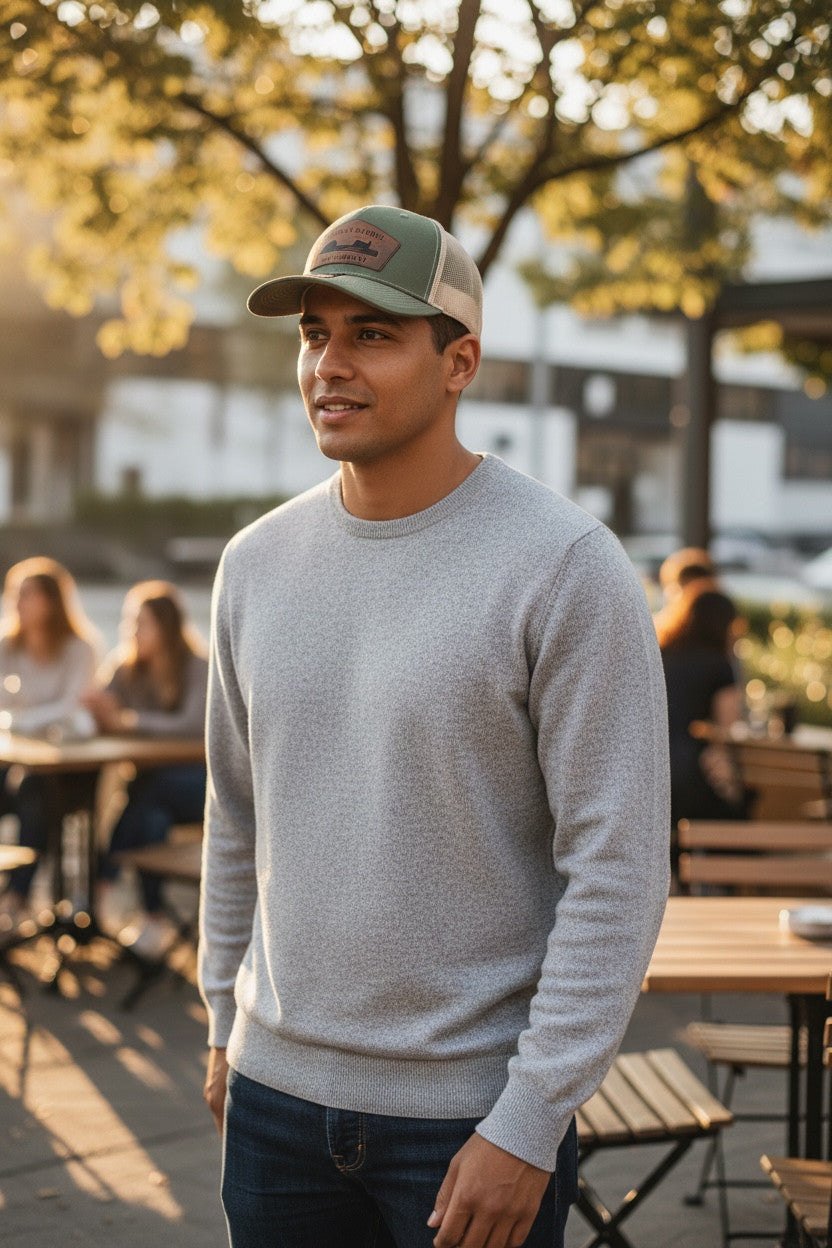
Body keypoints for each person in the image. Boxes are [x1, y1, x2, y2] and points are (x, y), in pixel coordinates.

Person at [198, 204, 670, 1248]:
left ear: (458, 362)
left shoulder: (564, 567)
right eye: (315, 333)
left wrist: (530, 1117)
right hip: (271, 1102)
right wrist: (224, 1022)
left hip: (470, 1122)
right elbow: (237, 819)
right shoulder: (254, 566)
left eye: (372, 333)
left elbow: (619, 865)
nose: (331, 363)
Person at [86, 581, 208, 959]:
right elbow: (102, 710)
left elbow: (193, 723)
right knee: (149, 817)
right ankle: (154, 920)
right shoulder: (126, 667)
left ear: (166, 628)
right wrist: (99, 709)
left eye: (142, 623)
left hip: (197, 786)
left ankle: (99, 888)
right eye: (130, 622)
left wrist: (131, 720)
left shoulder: (197, 667)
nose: (132, 631)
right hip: (153, 790)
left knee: (146, 789)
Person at [0, 557, 99, 923]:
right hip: (16, 762)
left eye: (26, 595)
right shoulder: (7, 646)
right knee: (22, 782)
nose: (16, 602)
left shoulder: (79, 649)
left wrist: (20, 720)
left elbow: (73, 707)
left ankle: (17, 897)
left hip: (67, 770)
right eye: (14, 594)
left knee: (33, 790)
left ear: (51, 602)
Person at [657, 580, 748, 834]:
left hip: (651, 766)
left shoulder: (663, 654)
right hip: (691, 773)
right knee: (740, 809)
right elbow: (728, 729)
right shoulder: (719, 665)